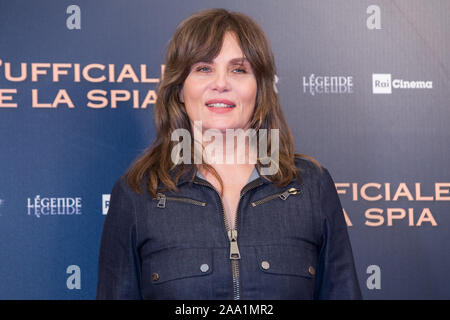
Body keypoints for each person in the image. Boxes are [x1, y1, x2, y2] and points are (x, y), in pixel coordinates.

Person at [96, 8, 362, 300]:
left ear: (260, 88)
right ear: (180, 90)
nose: (221, 83)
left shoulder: (311, 186)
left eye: (238, 69)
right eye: (203, 68)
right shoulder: (138, 193)